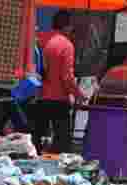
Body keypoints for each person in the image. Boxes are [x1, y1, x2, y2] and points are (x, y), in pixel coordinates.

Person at [35, 11, 86, 154]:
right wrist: (79, 94)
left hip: (42, 97)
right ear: (67, 26)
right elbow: (67, 77)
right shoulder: (67, 45)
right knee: (62, 144)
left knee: (38, 142)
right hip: (59, 100)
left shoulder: (44, 42)